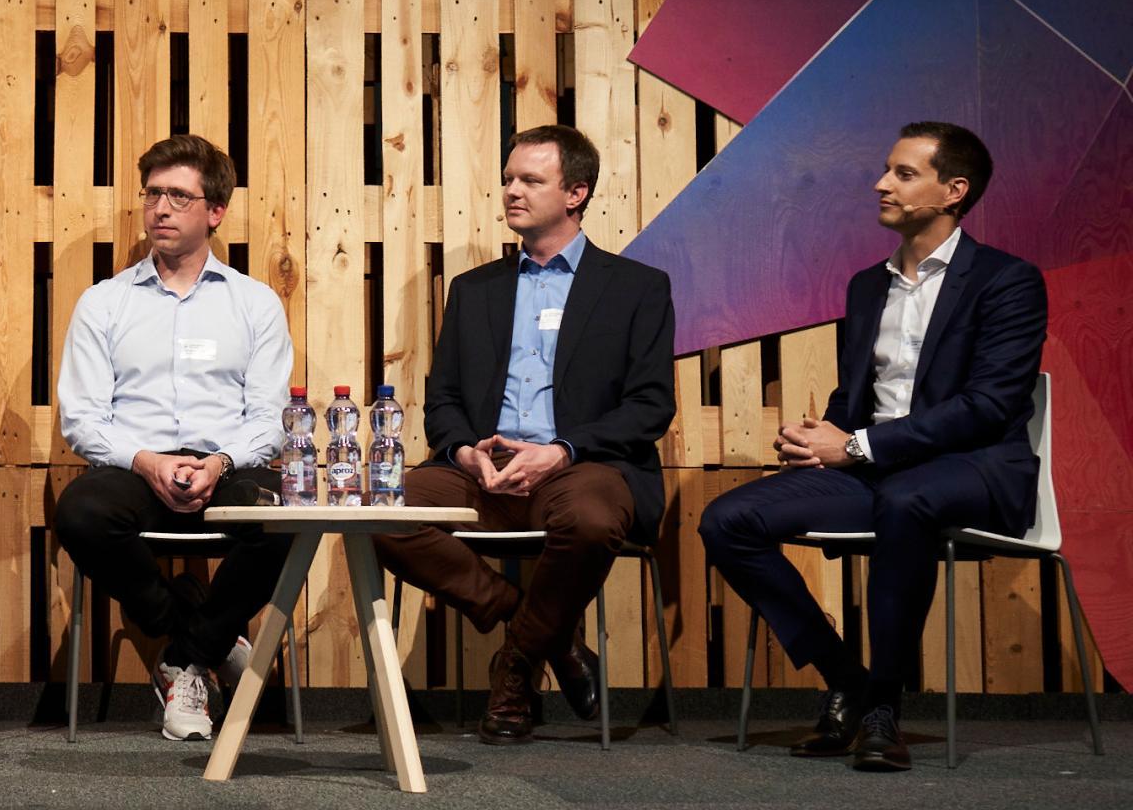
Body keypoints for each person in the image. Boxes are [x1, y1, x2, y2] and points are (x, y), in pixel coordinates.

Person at [700, 123, 1044, 771]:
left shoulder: (1006, 281)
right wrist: (816, 438)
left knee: (907, 501)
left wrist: (854, 445)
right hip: (874, 470)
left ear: (954, 191)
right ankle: (847, 679)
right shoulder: (867, 286)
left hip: (971, 468)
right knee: (727, 520)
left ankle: (884, 703)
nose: (882, 183)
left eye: (905, 173)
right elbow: (857, 400)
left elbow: (988, 407)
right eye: (887, 169)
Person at [373, 125, 676, 746]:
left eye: (530, 180)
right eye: (509, 178)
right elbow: (445, 400)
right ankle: (545, 634)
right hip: (485, 467)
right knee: (380, 510)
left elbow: (650, 406)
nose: (511, 191)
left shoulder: (636, 288)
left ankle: (514, 668)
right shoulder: (474, 289)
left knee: (591, 523)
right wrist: (463, 450)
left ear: (576, 193)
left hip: (585, 466)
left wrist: (561, 450)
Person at [53, 134, 294, 742]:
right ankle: (197, 628)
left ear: (214, 211)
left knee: (291, 513)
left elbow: (269, 418)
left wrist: (217, 461)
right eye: (153, 193)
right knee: (80, 511)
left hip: (227, 466)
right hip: (136, 468)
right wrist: (147, 460)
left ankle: (185, 655)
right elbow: (81, 416)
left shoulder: (255, 303)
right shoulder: (105, 303)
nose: (160, 207)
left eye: (178, 196)